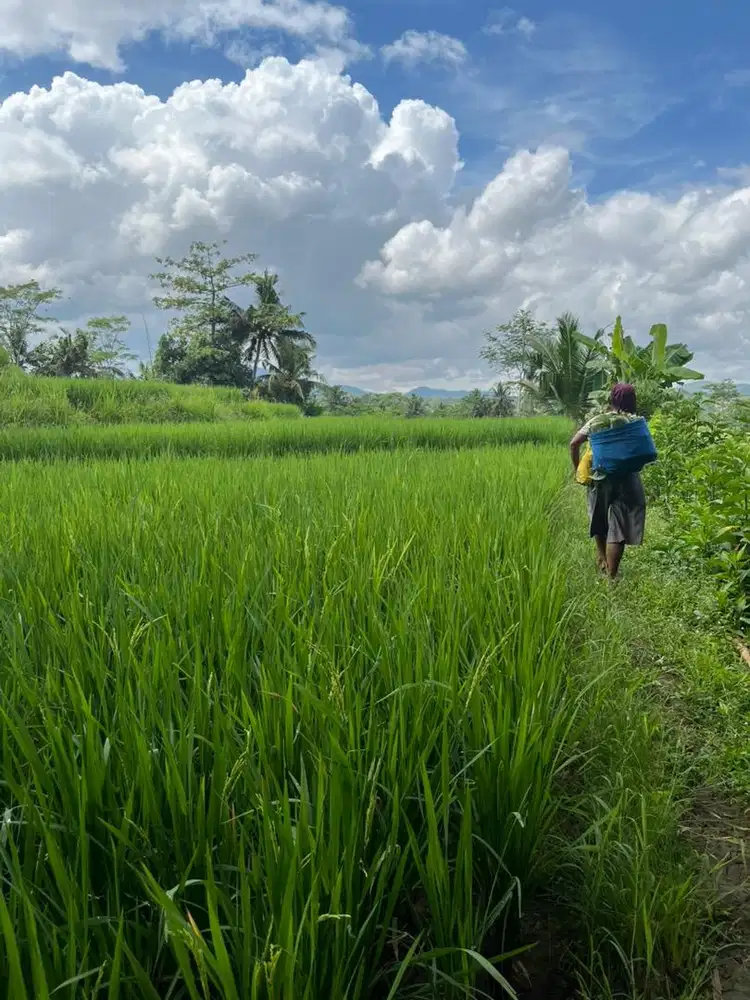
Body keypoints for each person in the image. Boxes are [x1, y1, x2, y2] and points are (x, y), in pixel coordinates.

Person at [569, 383, 646, 580]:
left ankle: (602, 557)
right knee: (619, 528)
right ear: (632, 400)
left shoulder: (598, 420)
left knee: (599, 519)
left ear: (612, 399)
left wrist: (577, 469)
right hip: (628, 478)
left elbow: (574, 443)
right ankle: (612, 576)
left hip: (600, 477)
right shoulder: (636, 421)